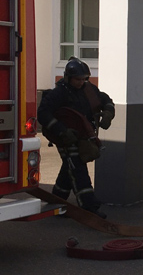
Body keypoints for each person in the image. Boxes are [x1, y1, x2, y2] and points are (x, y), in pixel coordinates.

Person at [38, 56, 115, 218]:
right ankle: (90, 208)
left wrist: (108, 113)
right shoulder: (59, 93)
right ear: (68, 77)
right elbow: (43, 113)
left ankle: (56, 201)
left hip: (83, 137)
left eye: (84, 78)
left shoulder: (89, 89)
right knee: (78, 170)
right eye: (77, 79)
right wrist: (62, 131)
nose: (81, 82)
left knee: (69, 167)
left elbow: (106, 100)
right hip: (66, 138)